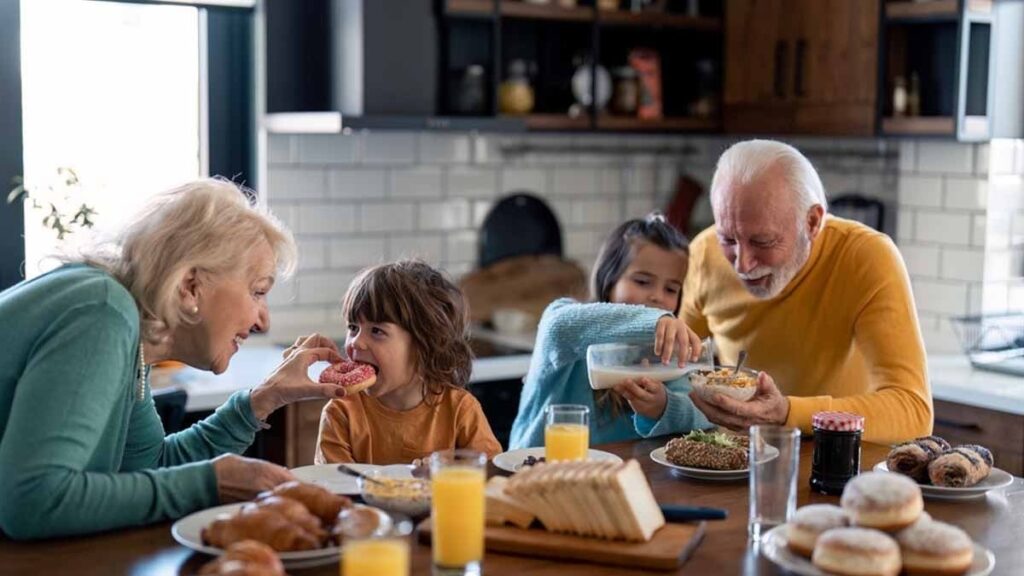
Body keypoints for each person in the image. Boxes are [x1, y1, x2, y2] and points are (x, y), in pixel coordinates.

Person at [0, 179, 350, 540]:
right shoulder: (101, 313)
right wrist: (212, 482)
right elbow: (33, 501)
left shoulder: (127, 332)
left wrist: (263, 399)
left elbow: (152, 468)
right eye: (257, 292)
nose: (264, 320)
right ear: (190, 286)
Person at [682, 139, 932, 444]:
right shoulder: (703, 254)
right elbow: (682, 373)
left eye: (763, 242)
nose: (743, 265)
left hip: (840, 467)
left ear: (812, 222)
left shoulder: (866, 257)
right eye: (728, 239)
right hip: (736, 463)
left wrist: (788, 412)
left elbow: (914, 412)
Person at [509, 213, 711, 450]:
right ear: (609, 278)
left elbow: (704, 415)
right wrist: (654, 321)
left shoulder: (665, 354)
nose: (657, 296)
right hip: (534, 472)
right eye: (642, 282)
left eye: (671, 289)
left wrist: (663, 407)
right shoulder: (568, 324)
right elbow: (558, 325)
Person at [314, 260, 502, 464]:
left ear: (424, 345)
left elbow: (490, 475)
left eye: (377, 331)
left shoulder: (460, 410)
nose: (356, 342)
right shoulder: (341, 413)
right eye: (353, 327)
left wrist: (456, 467)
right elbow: (335, 487)